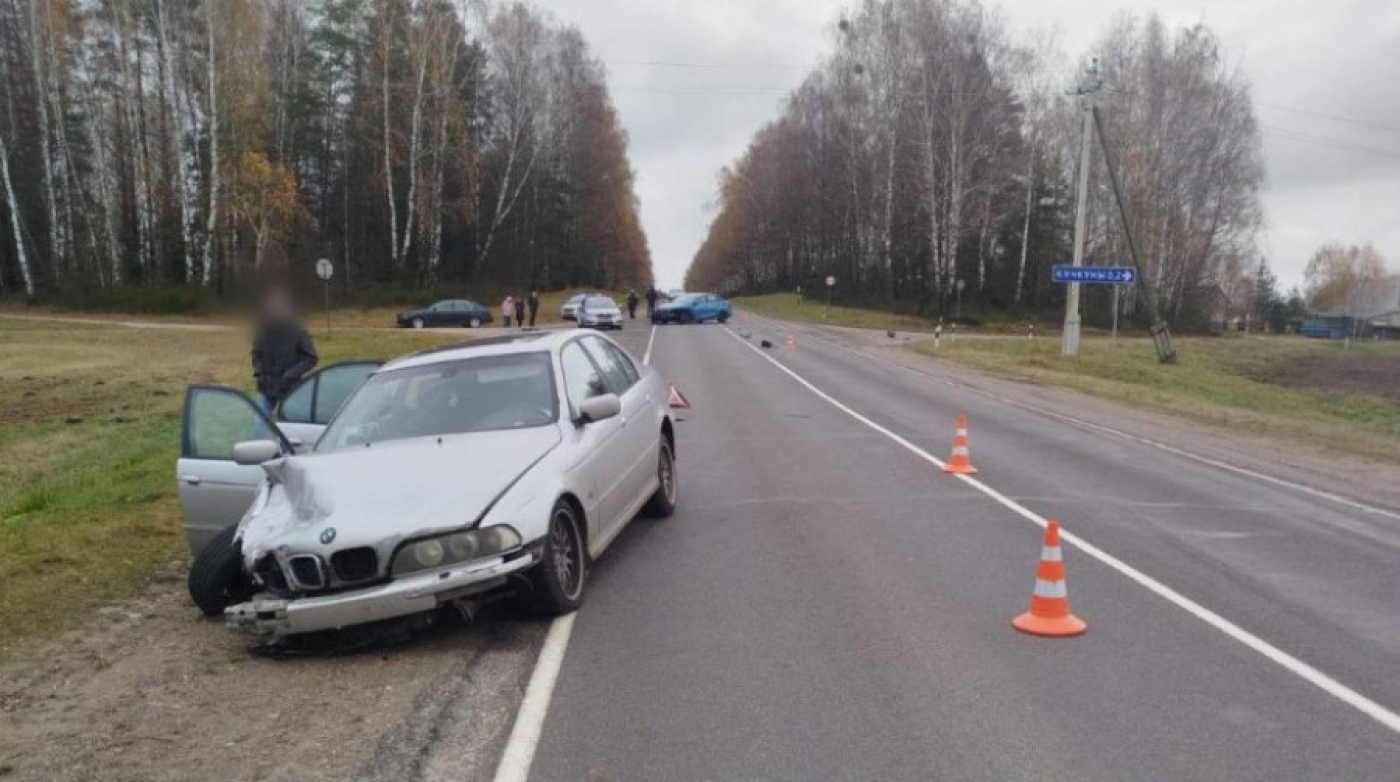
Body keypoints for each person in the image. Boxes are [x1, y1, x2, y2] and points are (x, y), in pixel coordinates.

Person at [251, 287, 318, 415]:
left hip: (289, 387)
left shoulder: (298, 331)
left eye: (279, 309)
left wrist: (291, 374)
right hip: (265, 387)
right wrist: (259, 371)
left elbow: (311, 357)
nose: (275, 312)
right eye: (271, 309)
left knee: (289, 423)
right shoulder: (262, 331)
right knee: (260, 423)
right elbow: (256, 353)